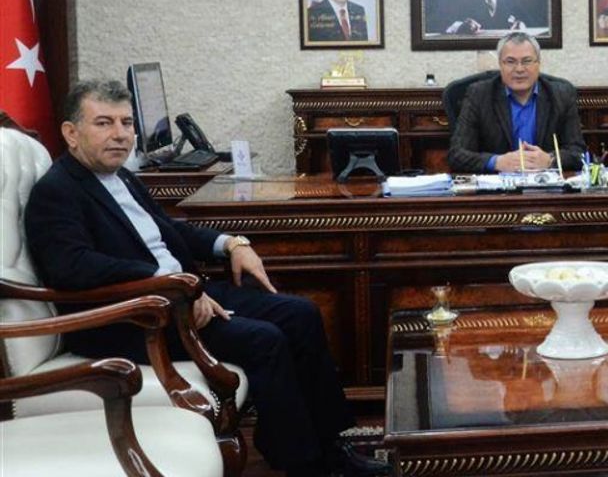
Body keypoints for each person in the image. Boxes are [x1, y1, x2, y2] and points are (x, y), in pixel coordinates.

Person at [24, 80, 386, 477]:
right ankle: (303, 464)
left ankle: (331, 447)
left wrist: (230, 243)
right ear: (71, 133)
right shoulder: (56, 191)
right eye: (104, 123)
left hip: (179, 296)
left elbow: (168, 230)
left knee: (301, 314)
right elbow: (73, 266)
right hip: (131, 319)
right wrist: (169, 284)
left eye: (126, 123)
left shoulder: (122, 177)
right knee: (264, 340)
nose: (120, 134)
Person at [447, 31, 586, 174]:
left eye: (527, 61)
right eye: (510, 62)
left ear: (538, 64)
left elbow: (578, 153)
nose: (519, 69)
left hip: (545, 183)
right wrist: (496, 162)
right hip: (497, 185)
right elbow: (457, 155)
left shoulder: (561, 95)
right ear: (500, 64)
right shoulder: (479, 95)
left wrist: (550, 160)